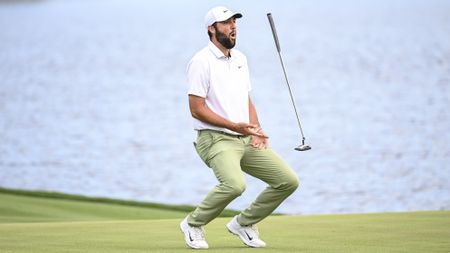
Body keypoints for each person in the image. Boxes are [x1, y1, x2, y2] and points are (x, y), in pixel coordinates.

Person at [180, 6, 300, 249]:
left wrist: (257, 129)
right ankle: (193, 224)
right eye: (226, 23)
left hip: (244, 137)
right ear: (211, 29)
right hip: (214, 139)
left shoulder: (240, 59)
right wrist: (236, 126)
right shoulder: (201, 62)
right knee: (235, 185)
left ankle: (243, 223)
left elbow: (245, 100)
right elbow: (197, 109)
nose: (233, 26)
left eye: (234, 22)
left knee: (288, 180)